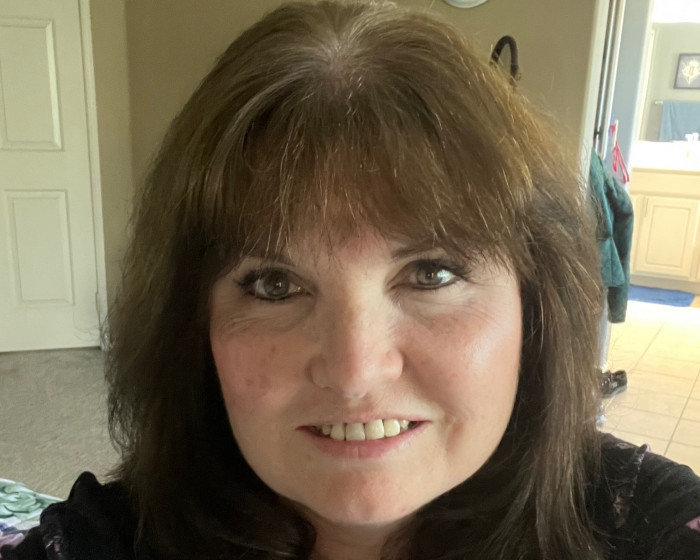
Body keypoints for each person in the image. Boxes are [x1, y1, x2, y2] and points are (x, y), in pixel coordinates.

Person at [3, 2, 700, 559]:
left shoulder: (642, 523)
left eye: (430, 273)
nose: (354, 371)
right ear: (192, 325)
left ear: (535, 305)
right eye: (274, 285)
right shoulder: (107, 541)